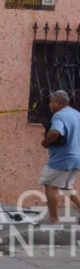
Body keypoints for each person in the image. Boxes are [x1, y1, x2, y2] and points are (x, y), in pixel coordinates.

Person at [40, 90, 80, 224]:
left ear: (59, 102)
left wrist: (45, 142)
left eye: (51, 102)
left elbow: (55, 132)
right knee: (67, 187)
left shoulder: (59, 116)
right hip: (76, 158)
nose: (50, 105)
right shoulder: (77, 114)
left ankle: (54, 219)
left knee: (50, 185)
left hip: (62, 158)